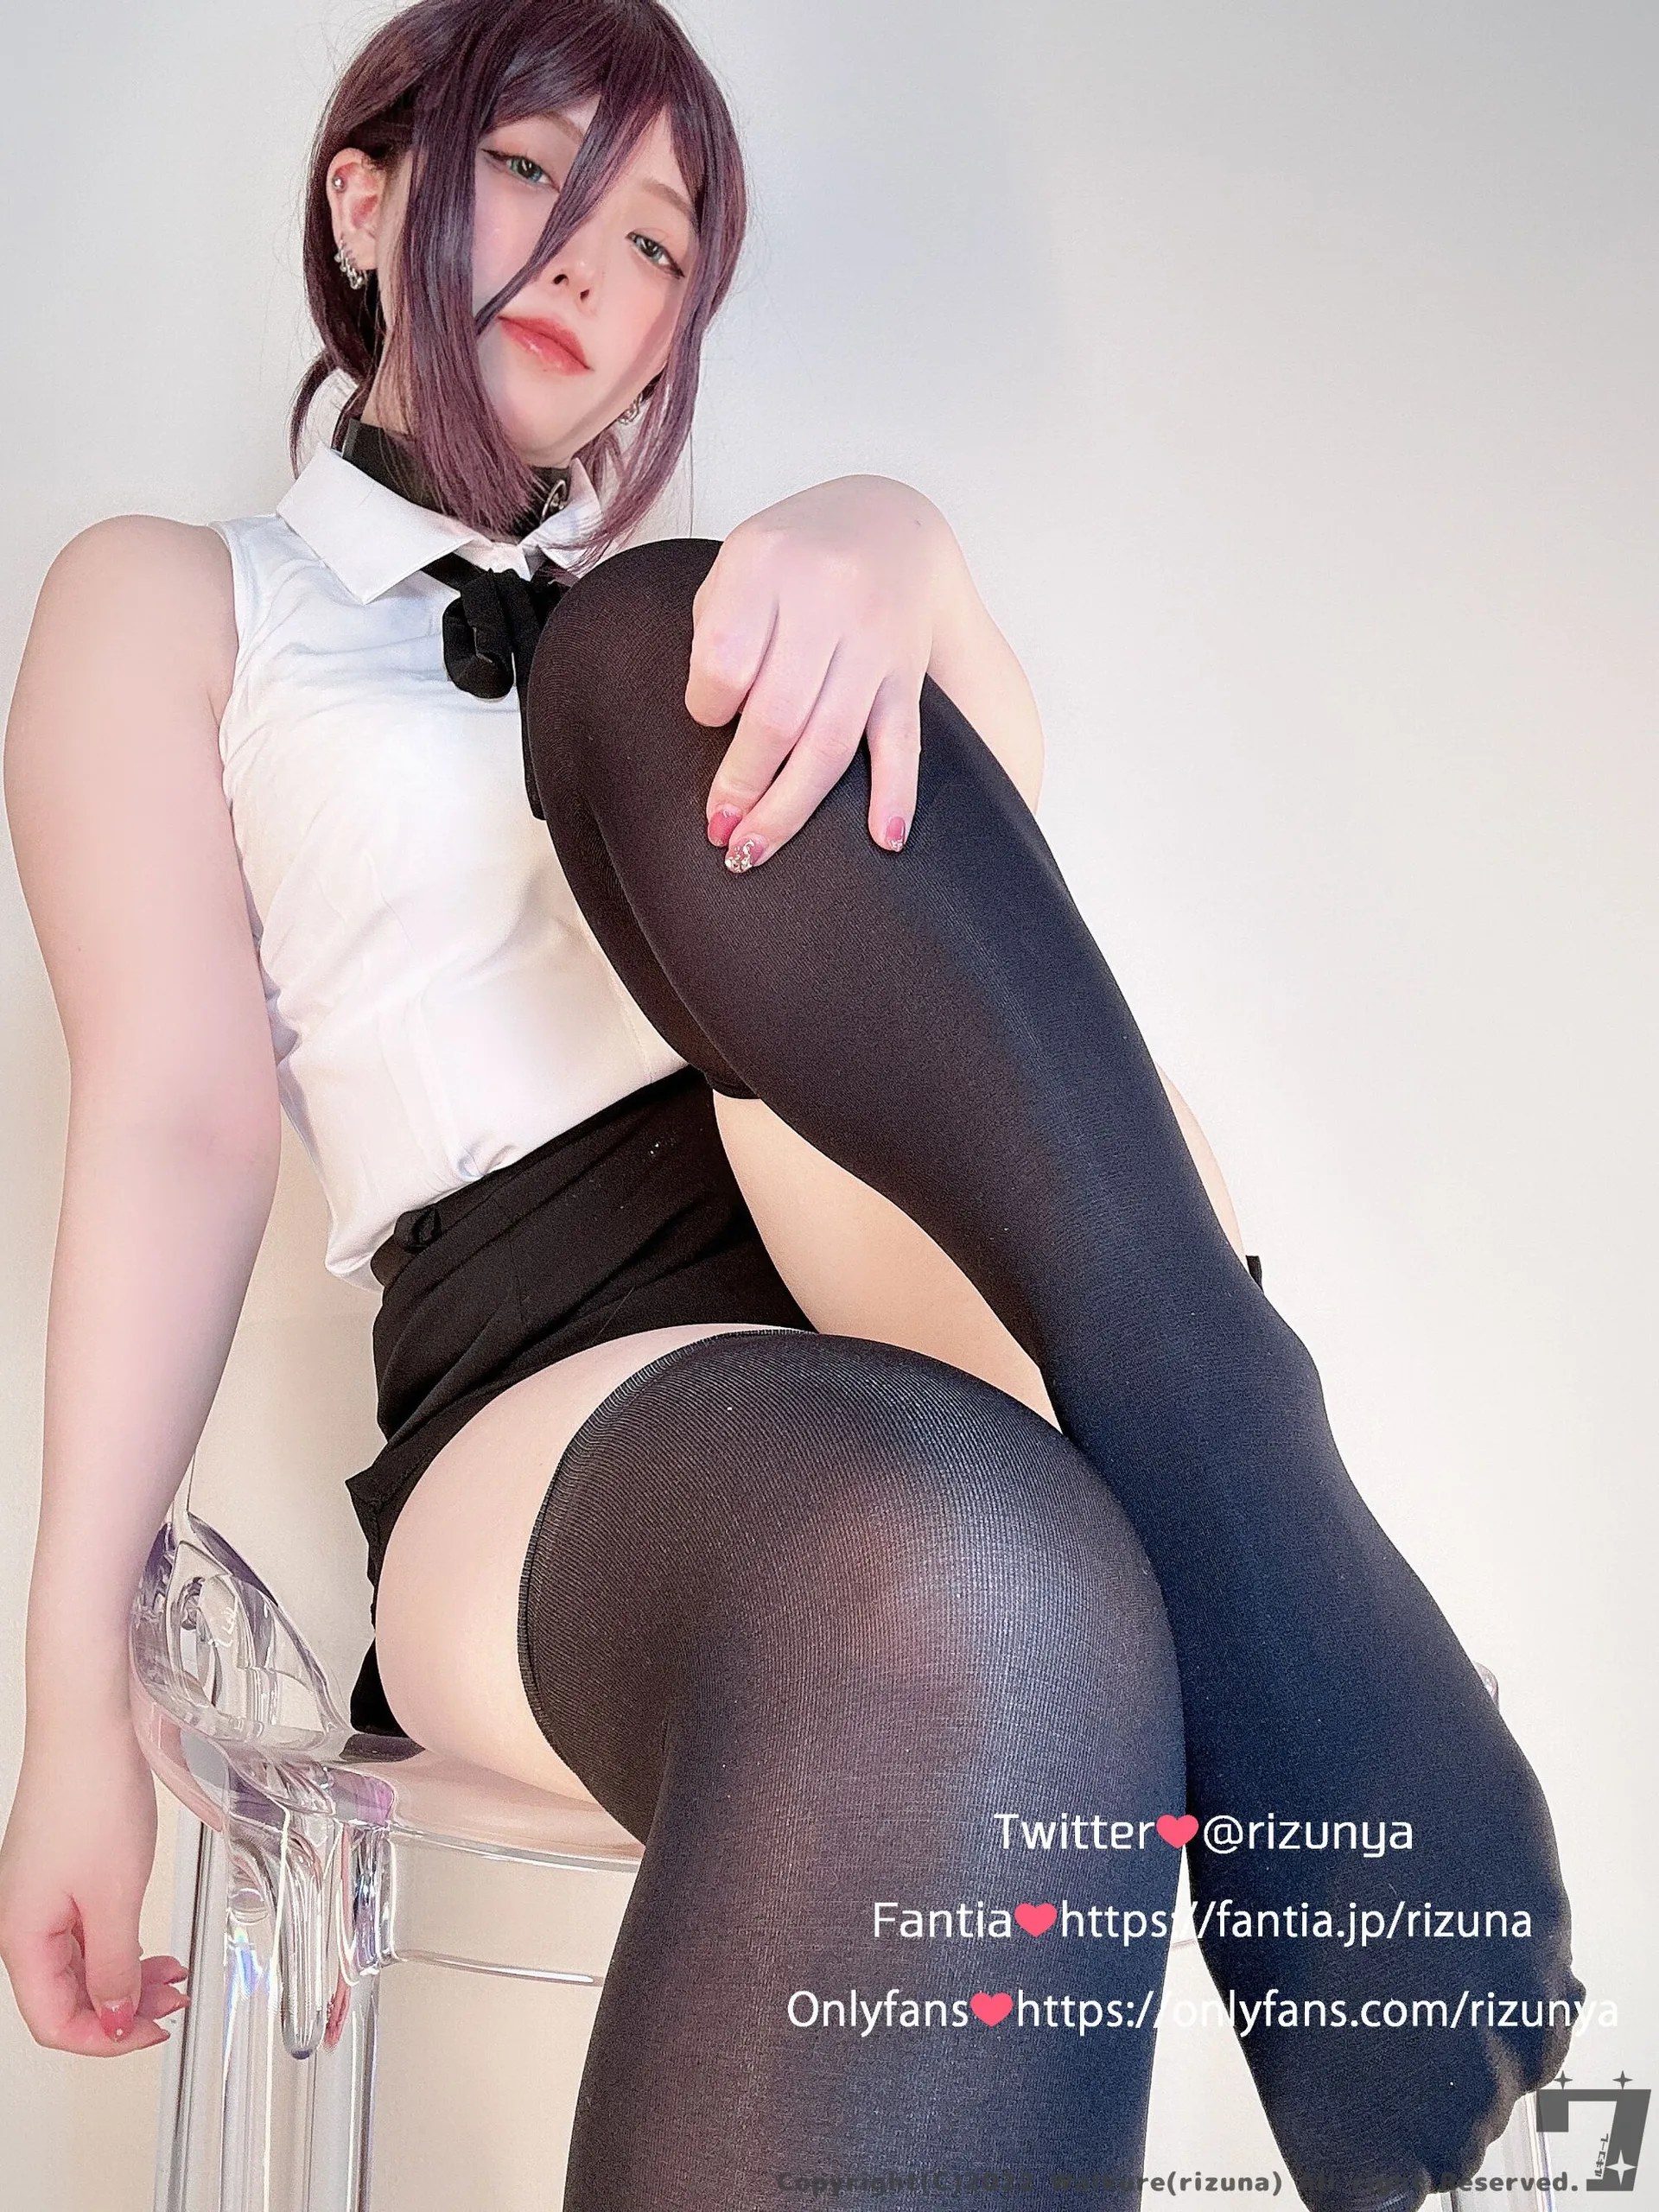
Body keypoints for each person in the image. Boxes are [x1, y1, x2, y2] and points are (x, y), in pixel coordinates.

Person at [0, 3, 1582, 2207]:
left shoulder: (743, 612)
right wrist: (69, 1691)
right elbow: (178, 1125)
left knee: (670, 654)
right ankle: (1284, 1608)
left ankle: (1221, 1437)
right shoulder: (181, 603)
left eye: (657, 242)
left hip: (904, 1229)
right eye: (530, 170)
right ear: (362, 202)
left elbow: (1004, 914)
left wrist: (891, 544)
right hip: (560, 1377)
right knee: (983, 1580)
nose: (593, 258)